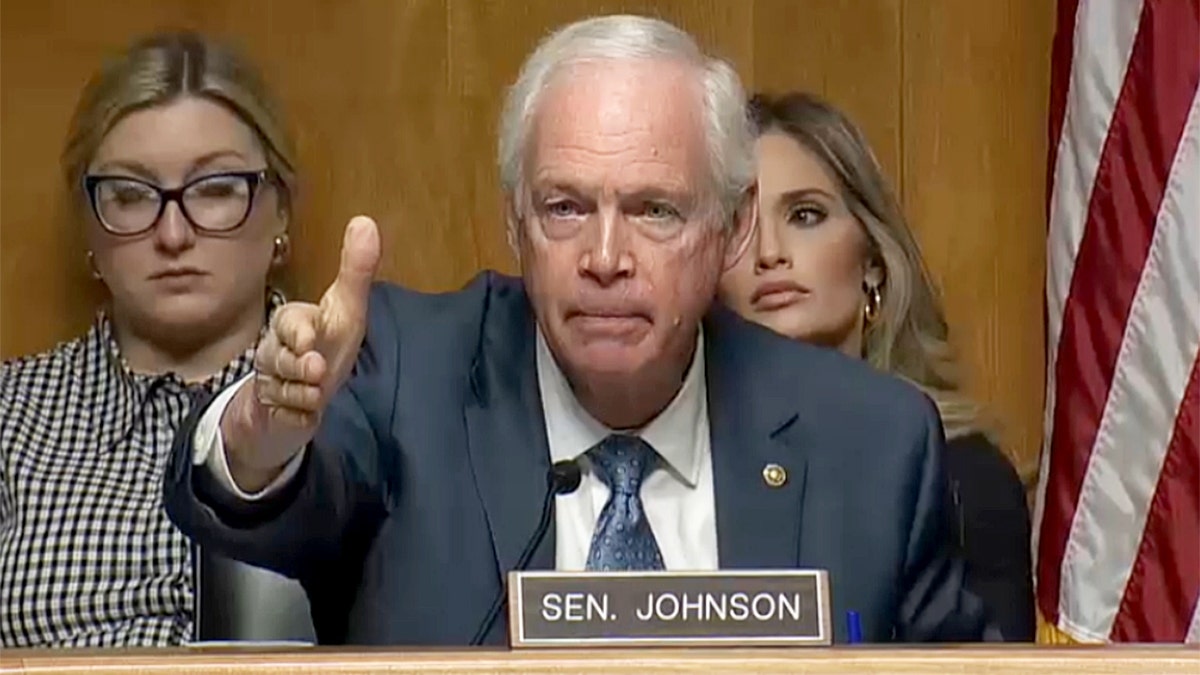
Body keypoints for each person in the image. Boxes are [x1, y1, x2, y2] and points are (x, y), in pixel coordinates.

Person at [164, 15, 992, 645]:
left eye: (654, 210)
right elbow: (274, 494)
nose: (604, 256)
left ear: (733, 230)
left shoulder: (871, 440)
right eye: (564, 207)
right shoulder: (408, 369)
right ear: (516, 224)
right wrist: (263, 429)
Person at [0, 31, 312, 647]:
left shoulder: (365, 399)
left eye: (216, 190)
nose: (173, 234)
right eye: (130, 195)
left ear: (279, 213)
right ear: (89, 225)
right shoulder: (10, 416)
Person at [718, 91, 1034, 640]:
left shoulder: (960, 477)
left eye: (805, 215)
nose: (770, 252)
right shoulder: (682, 471)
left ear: (872, 263)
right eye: (739, 227)